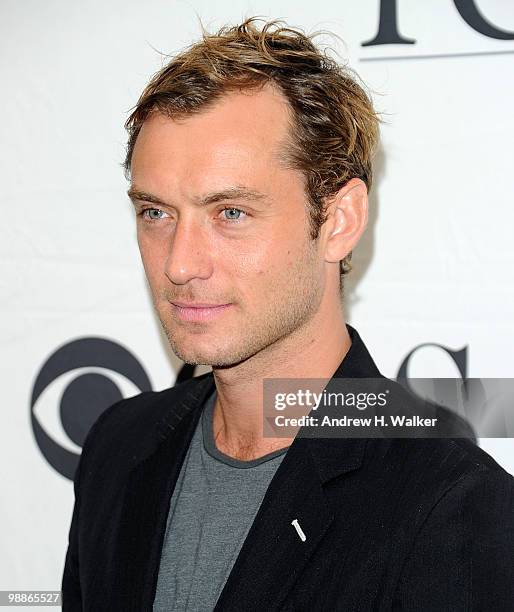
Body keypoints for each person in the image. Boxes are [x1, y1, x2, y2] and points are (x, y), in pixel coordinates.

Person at [62, 17, 514, 611]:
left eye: (230, 213)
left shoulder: (453, 504)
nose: (179, 264)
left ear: (339, 222)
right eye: (155, 213)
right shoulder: (118, 448)